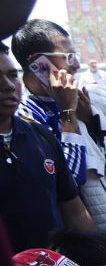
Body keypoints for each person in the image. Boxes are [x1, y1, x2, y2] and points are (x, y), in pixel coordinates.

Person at [0, 41, 93, 252]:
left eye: (12, 75)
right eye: (67, 57)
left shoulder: (39, 135)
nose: (7, 85)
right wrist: (68, 112)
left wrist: (104, 261)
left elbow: (74, 210)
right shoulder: (38, 113)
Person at [11, 19, 87, 189]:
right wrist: (68, 112)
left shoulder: (75, 99)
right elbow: (72, 179)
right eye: (69, 57)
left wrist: (89, 119)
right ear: (38, 63)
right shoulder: (24, 114)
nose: (76, 65)